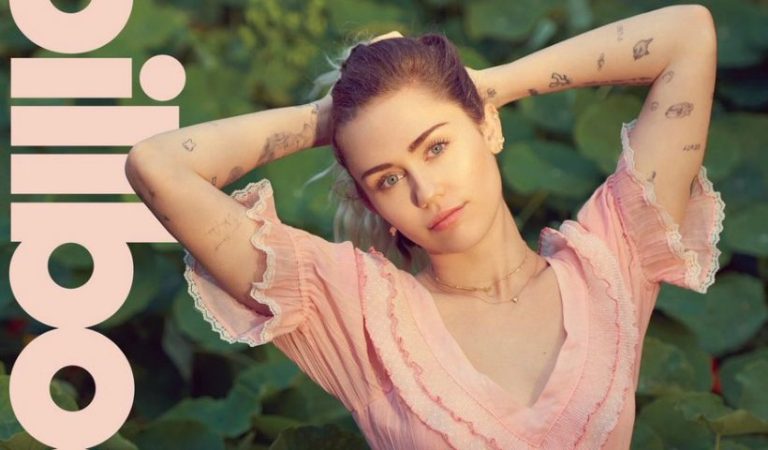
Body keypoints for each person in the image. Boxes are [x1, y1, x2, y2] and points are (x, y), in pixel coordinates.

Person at [125, 4, 724, 449]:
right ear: (371, 200)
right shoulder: (356, 313)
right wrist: (332, 120)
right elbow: (157, 166)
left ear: (487, 126)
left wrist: (488, 85)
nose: (425, 191)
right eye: (387, 178)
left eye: (436, 147)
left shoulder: (610, 264)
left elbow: (688, 35)